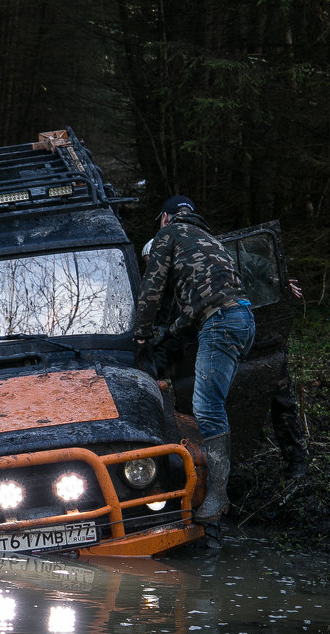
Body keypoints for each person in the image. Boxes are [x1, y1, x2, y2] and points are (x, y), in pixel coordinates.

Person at [134, 195, 255, 523]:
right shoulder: (208, 239)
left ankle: (217, 496)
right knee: (212, 401)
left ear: (164, 218)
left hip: (220, 323)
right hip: (243, 320)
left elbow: (151, 289)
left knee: (207, 407)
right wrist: (167, 334)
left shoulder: (167, 235)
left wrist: (141, 334)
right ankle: (221, 484)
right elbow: (194, 309)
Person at [272, 278, 308, 479]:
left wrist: (277, 280)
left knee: (282, 401)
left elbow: (257, 264)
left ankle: (297, 459)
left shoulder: (238, 256)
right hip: (217, 340)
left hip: (262, 335)